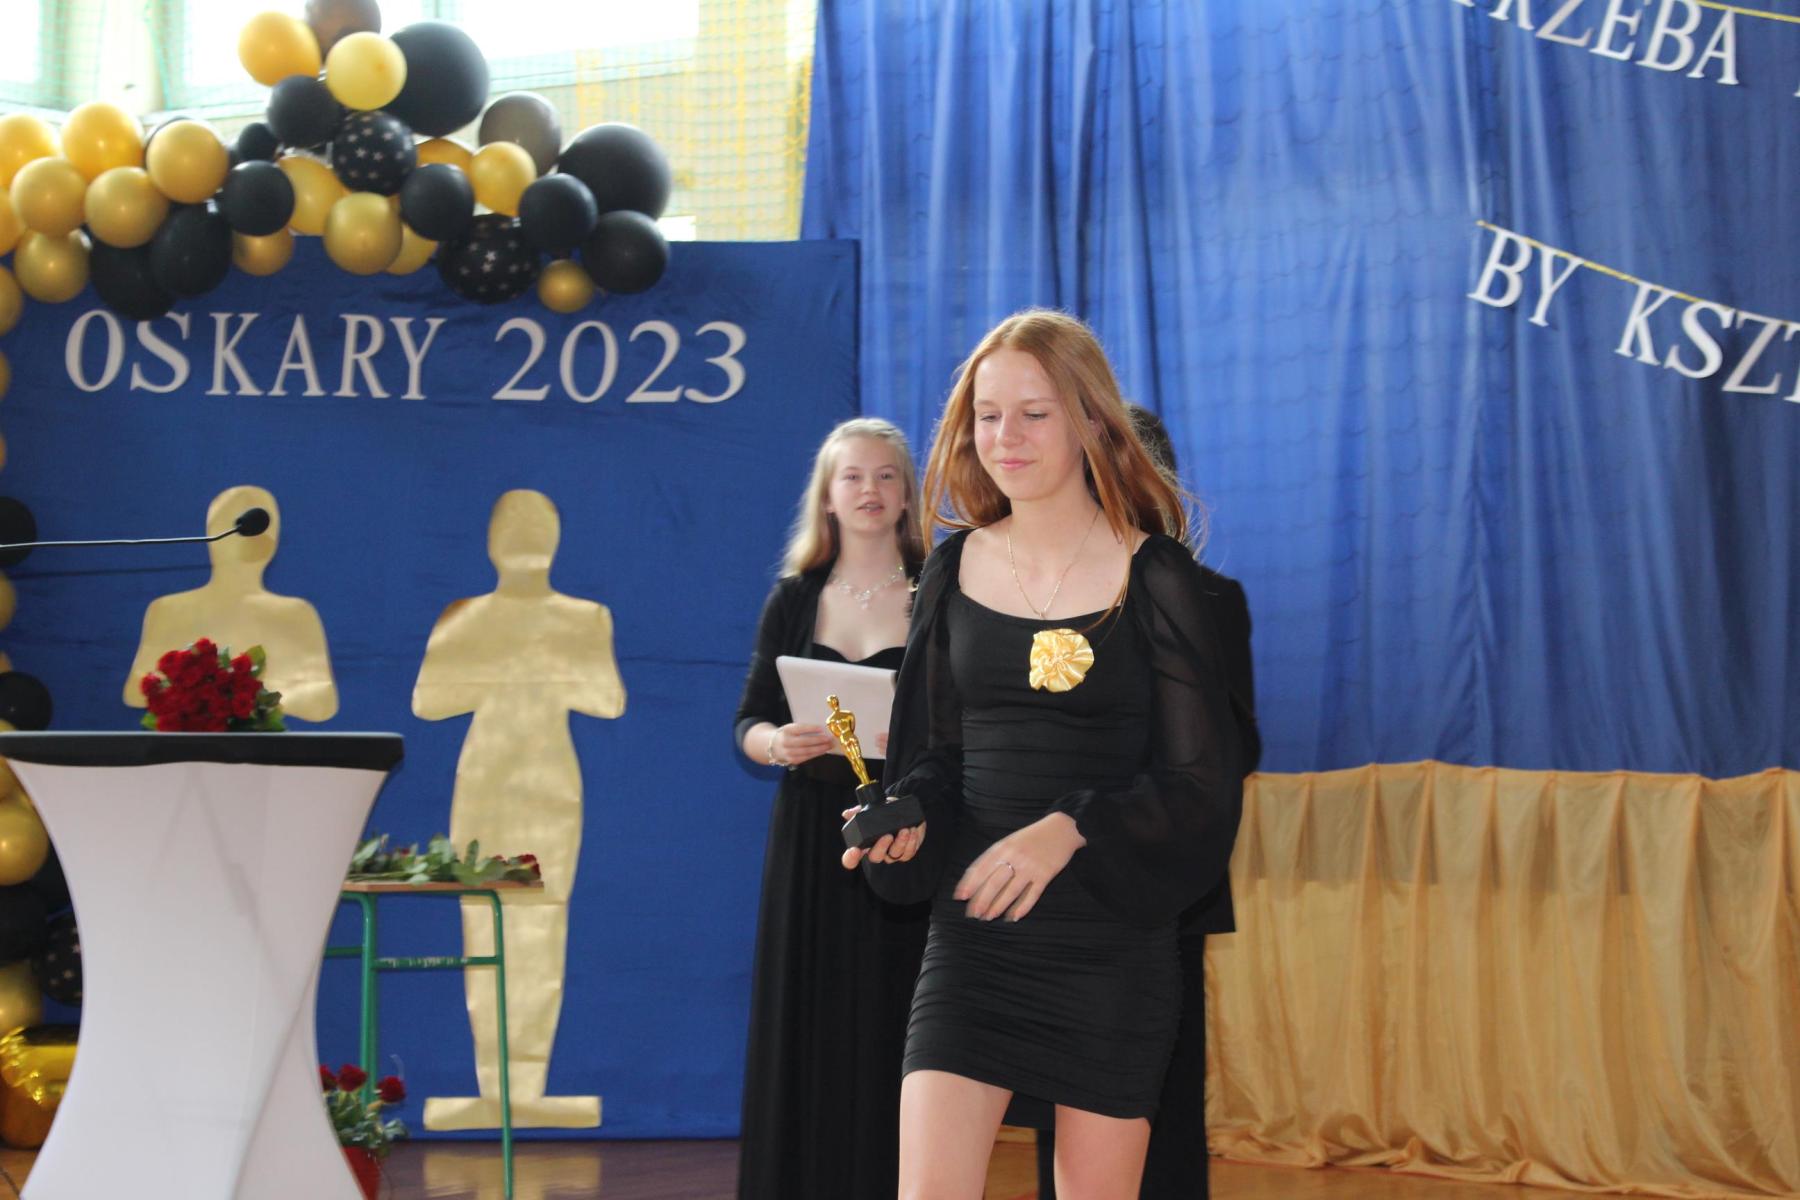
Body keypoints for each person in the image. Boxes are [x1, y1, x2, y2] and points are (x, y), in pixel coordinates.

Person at [844, 310, 1244, 1199]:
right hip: (974, 935)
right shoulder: (951, 570)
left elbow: (1200, 787)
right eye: (988, 416)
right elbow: (935, 757)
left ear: (1091, 420)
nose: (1005, 438)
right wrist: (909, 816)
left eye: (1034, 414)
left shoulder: (1157, 576)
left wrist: (1070, 827)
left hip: (1109, 942)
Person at [1028, 404, 1262, 1200]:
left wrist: (1146, 784)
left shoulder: (1212, 596)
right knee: (1064, 1078)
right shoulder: (1039, 593)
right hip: (1066, 874)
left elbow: (1239, 749)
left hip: (1167, 876)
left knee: (1165, 1080)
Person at [733, 417, 931, 1200]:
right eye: (853, 476)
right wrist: (776, 743)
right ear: (827, 496)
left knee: (897, 1015)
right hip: (810, 834)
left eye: (886, 476)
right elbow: (748, 721)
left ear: (908, 495)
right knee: (807, 1012)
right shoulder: (794, 598)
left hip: (906, 830)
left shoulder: (939, 592)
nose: (870, 490)